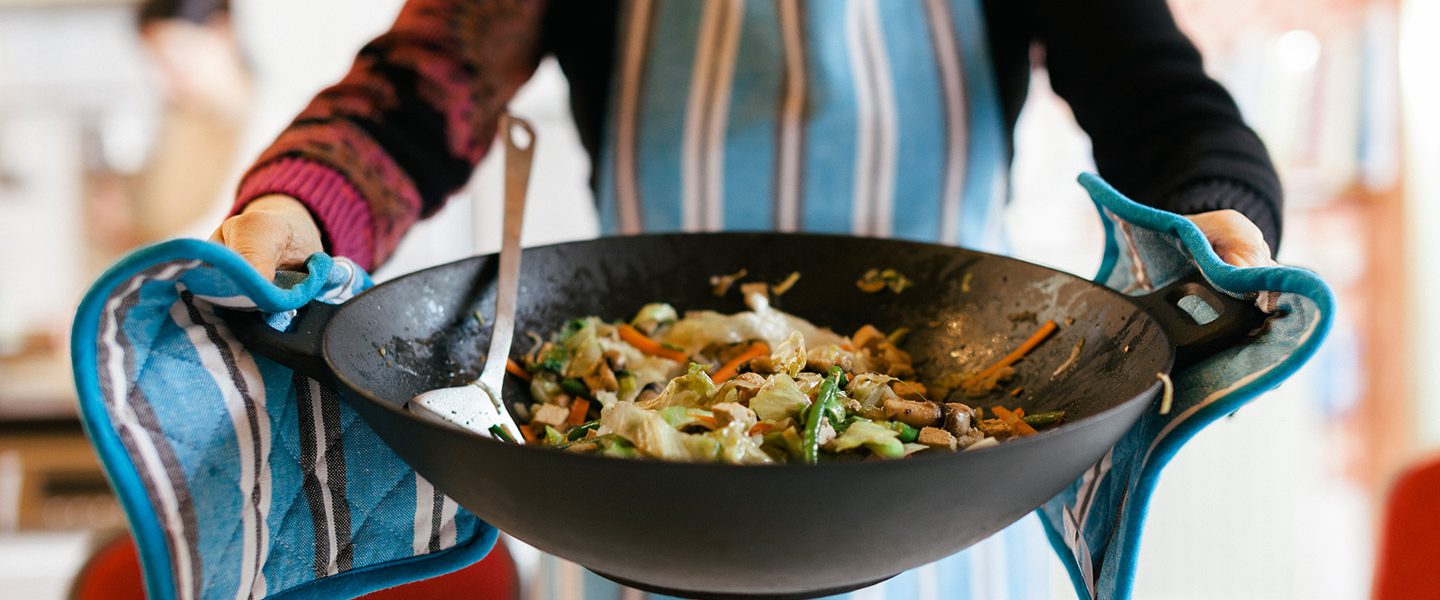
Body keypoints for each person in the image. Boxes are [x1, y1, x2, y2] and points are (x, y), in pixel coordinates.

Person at [211, 0, 1280, 596]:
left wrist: (1218, 227)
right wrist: (295, 216)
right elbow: (415, 94)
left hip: (943, 503)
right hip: (639, 527)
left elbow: (1169, 110)